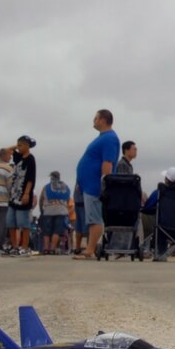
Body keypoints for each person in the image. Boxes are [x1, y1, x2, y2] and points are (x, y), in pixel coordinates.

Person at [73, 109, 120, 260]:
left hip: (95, 186)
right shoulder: (103, 137)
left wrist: (104, 183)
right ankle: (89, 249)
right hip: (88, 185)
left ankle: (89, 250)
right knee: (91, 219)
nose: (93, 120)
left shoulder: (109, 138)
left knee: (95, 219)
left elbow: (107, 162)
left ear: (102, 120)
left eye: (96, 118)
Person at [6, 135, 36, 256]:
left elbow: (30, 178)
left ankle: (25, 246)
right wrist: (17, 146)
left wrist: (27, 193)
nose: (18, 148)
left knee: (23, 222)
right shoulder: (18, 158)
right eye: (18, 145)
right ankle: (14, 246)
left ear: (27, 146)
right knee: (11, 221)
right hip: (14, 194)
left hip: (23, 193)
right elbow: (8, 150)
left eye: (21, 145)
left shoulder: (30, 159)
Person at [38, 171, 71, 254]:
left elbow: (41, 199)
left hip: (48, 211)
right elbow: (67, 199)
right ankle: (52, 249)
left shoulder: (46, 187)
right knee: (57, 231)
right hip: (61, 211)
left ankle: (46, 249)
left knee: (46, 231)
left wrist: (41, 210)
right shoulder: (65, 187)